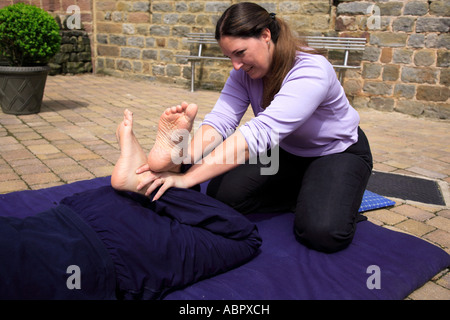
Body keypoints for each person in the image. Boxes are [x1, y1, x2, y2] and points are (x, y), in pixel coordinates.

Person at [134, 2, 373, 253]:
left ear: (265, 36)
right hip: (286, 150)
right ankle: (304, 191)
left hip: (336, 151)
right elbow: (221, 122)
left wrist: (188, 179)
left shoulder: (311, 69)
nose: (236, 65)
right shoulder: (242, 74)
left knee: (322, 233)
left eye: (240, 53)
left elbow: (259, 135)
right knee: (223, 196)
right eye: (230, 57)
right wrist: (183, 158)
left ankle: (324, 193)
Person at [0, 108, 261, 300]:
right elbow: (230, 119)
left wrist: (187, 176)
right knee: (233, 226)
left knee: (243, 237)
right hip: (75, 215)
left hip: (106, 253)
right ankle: (150, 177)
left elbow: (261, 133)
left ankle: (148, 180)